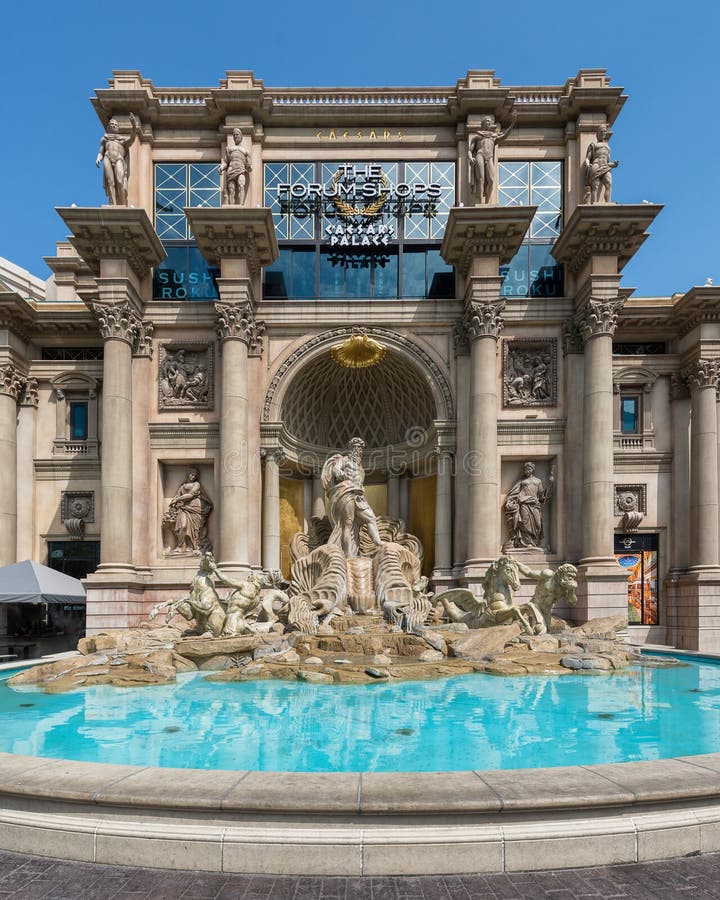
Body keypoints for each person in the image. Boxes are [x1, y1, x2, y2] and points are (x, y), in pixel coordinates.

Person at [321, 437, 383, 558]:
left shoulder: (361, 469)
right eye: (357, 448)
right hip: (345, 492)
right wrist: (338, 472)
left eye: (360, 449)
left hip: (359, 496)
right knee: (347, 524)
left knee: (371, 518)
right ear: (351, 449)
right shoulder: (344, 460)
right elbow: (335, 469)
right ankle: (349, 554)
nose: (359, 451)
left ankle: (378, 544)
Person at [468, 112, 516, 204]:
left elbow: (505, 135)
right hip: (480, 155)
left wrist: (512, 123)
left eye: (490, 122)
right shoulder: (477, 136)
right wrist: (470, 158)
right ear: (483, 124)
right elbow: (470, 150)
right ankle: (481, 203)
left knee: (491, 180)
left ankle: (487, 202)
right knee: (481, 179)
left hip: (489, 157)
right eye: (487, 121)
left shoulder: (494, 136)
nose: (489, 123)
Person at [503, 461, 553, 550]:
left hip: (535, 505)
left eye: (529, 469)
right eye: (525, 470)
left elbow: (541, 496)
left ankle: (534, 542)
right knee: (525, 524)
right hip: (524, 504)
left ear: (532, 470)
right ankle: (526, 543)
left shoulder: (538, 481)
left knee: (538, 524)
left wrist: (550, 484)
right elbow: (514, 493)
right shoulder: (522, 482)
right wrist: (515, 500)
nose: (527, 471)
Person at [163, 468, 213, 554]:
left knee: (195, 530)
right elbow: (176, 496)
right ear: (188, 474)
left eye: (195, 475)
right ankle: (180, 547)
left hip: (195, 508)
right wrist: (174, 503)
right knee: (183, 526)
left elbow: (191, 495)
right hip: (184, 508)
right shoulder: (182, 487)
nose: (193, 477)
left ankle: (192, 547)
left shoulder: (196, 484)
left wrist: (178, 499)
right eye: (192, 474)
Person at [95, 114, 139, 205]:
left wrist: (134, 126)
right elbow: (101, 152)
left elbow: (132, 139)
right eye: (112, 124)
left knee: (119, 181)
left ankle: (122, 204)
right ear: (108, 127)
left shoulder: (122, 140)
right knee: (110, 182)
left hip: (119, 158)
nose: (114, 125)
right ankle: (113, 204)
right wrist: (98, 158)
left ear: (118, 128)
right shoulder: (105, 139)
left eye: (116, 124)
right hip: (107, 157)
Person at [582, 124, 619, 204]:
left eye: (604, 132)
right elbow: (588, 158)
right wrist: (587, 163)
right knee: (595, 186)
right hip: (596, 165)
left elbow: (608, 162)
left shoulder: (608, 148)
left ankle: (608, 203)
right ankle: (594, 203)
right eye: (601, 132)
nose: (602, 133)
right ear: (598, 134)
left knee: (609, 184)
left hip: (605, 166)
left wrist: (614, 164)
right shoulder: (594, 145)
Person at [220, 128, 251, 205]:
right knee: (231, 189)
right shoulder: (230, 149)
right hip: (231, 169)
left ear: (241, 136)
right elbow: (225, 162)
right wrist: (221, 167)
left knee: (241, 185)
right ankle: (231, 206)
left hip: (241, 169)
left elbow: (249, 165)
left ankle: (241, 205)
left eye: (237, 134)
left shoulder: (245, 151)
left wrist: (249, 167)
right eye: (234, 135)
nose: (235, 136)